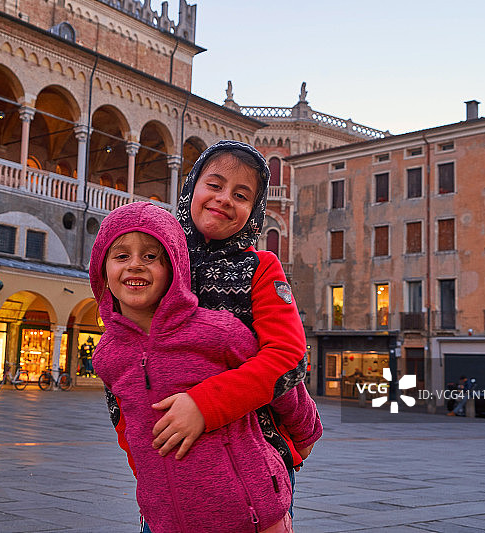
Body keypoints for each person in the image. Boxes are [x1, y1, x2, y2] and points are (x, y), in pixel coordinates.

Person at [90, 202, 318, 533]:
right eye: (121, 256)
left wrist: (306, 430)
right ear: (101, 270)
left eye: (151, 256)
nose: (135, 265)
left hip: (253, 514)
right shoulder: (108, 355)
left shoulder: (216, 331)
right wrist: (152, 489)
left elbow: (281, 379)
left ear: (174, 267)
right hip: (165, 520)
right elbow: (127, 427)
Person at [139, 141, 319, 520]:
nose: (224, 199)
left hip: (252, 456)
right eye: (215, 185)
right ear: (191, 188)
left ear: (254, 212)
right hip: (171, 461)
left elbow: (288, 359)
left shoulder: (261, 268)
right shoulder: (162, 266)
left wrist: (205, 405)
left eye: (241, 195)